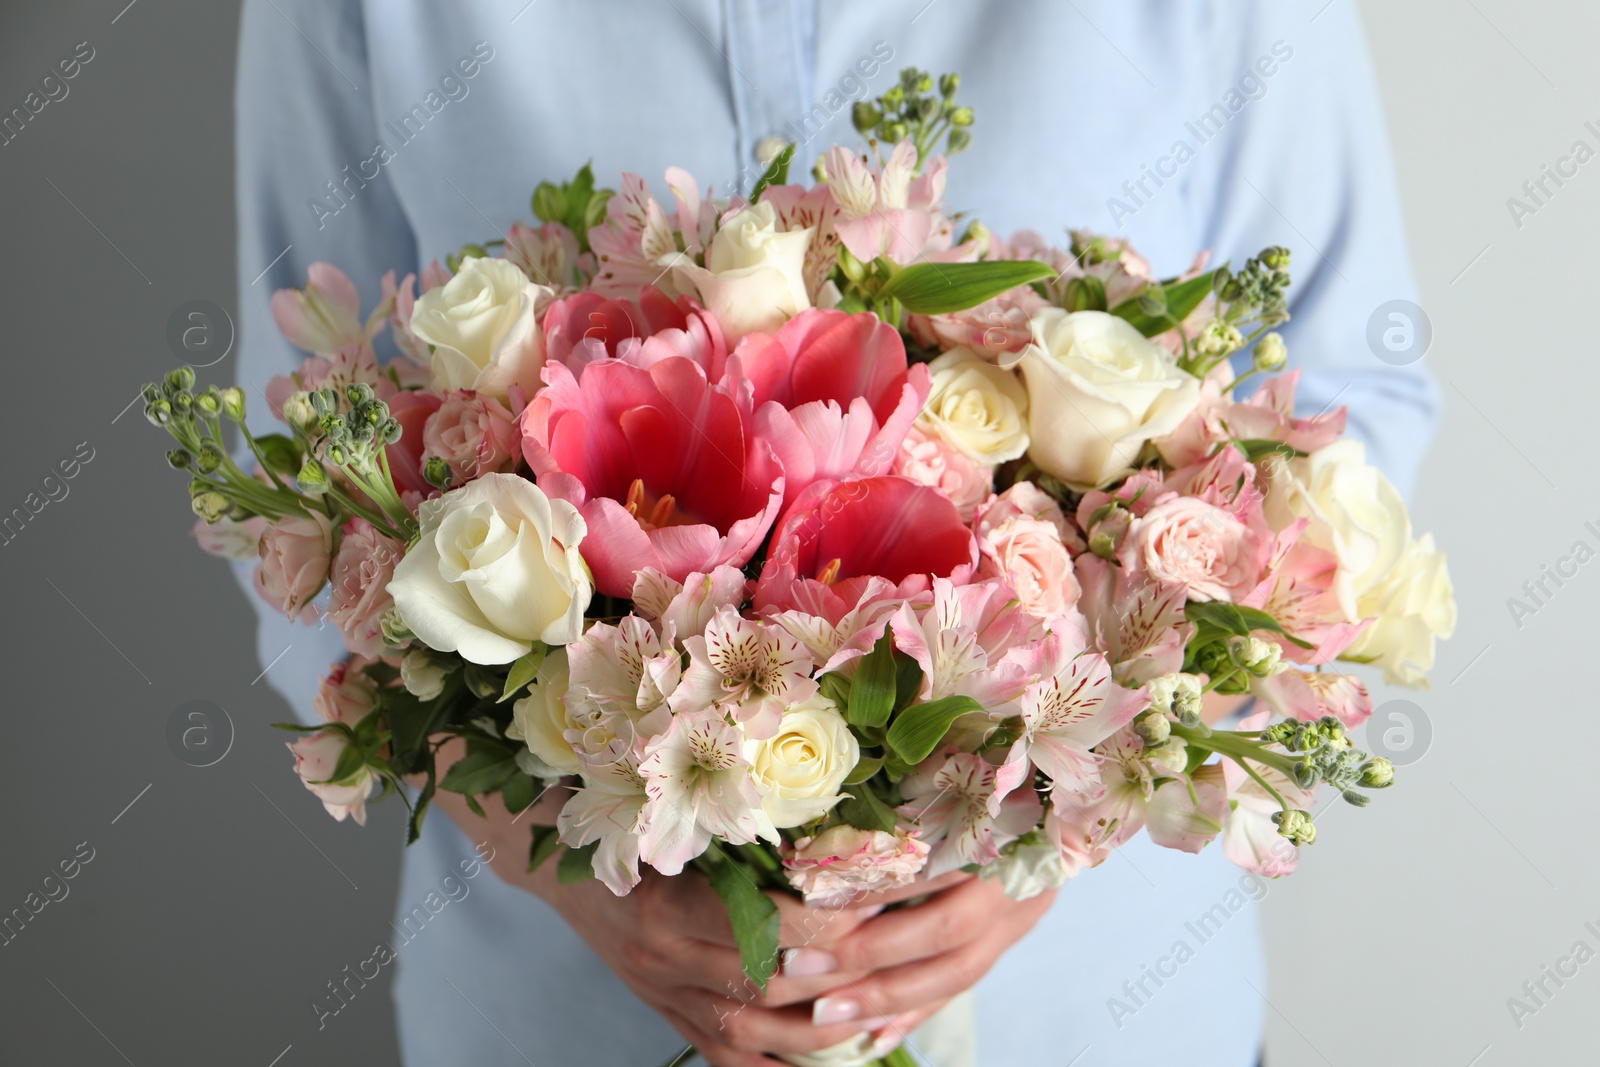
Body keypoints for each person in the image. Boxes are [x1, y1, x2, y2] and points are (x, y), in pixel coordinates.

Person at [234, 2, 1438, 1064]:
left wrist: (1060, 826)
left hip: (1096, 1015)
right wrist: (544, 850)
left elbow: (1348, 414)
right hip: (560, 1001)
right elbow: (296, 472)